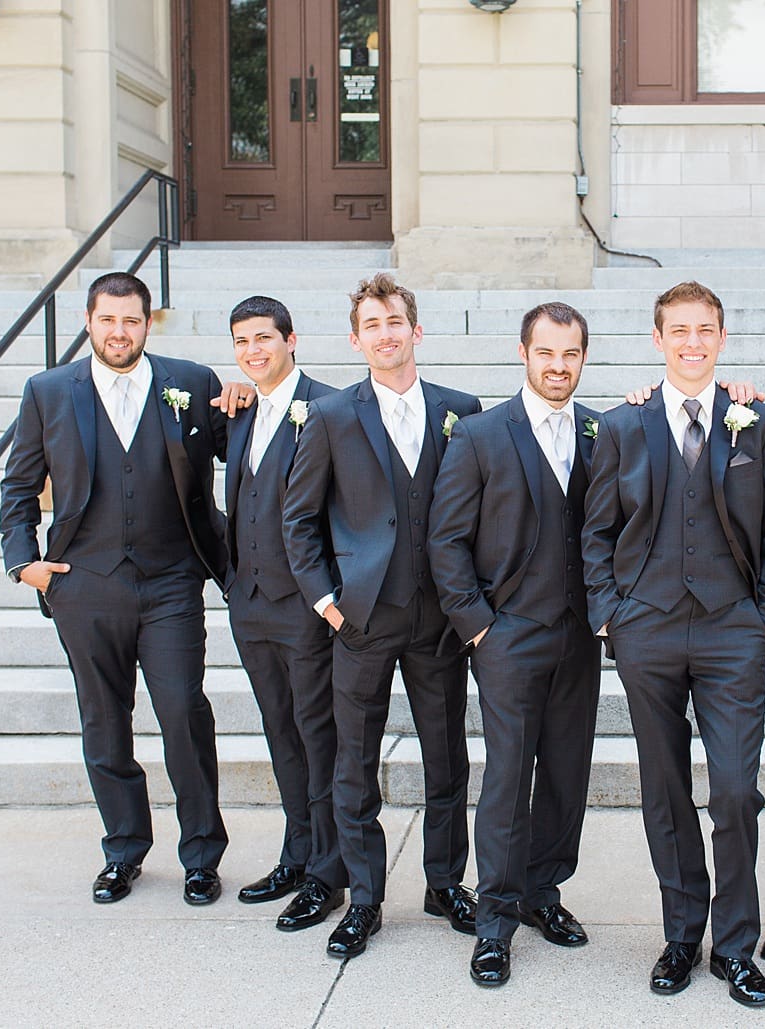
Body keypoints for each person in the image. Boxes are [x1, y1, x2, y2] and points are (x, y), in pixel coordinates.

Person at [0, 271, 247, 906]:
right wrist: (21, 560)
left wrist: (248, 397)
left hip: (170, 581)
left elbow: (244, 452)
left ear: (147, 323)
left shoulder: (189, 382)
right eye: (108, 321)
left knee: (183, 715)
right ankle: (123, 850)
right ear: (90, 322)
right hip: (84, 585)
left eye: (131, 321)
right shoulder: (49, 391)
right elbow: (18, 486)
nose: (119, 332)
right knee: (103, 721)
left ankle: (200, 856)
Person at [581, 281, 765, 1008]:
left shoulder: (755, 423)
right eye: (679, 329)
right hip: (646, 625)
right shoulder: (622, 424)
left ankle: (734, 944)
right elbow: (596, 531)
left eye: (704, 328)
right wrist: (609, 614)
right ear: (657, 338)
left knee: (735, 790)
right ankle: (681, 933)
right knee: (664, 787)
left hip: (733, 627)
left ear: (721, 336)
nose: (692, 341)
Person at [281, 273, 482, 959]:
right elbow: (298, 517)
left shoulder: (463, 410)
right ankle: (363, 897)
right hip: (361, 620)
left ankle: (444, 880)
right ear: (356, 338)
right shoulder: (333, 415)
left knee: (445, 756)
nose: (386, 333)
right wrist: (326, 600)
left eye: (395, 321)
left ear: (416, 331)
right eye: (373, 324)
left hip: (439, 621)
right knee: (353, 763)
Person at [428, 302, 603, 987]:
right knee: (507, 779)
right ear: (523, 353)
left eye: (570, 355)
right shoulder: (478, 435)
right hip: (506, 636)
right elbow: (445, 541)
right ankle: (495, 921)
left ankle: (542, 893)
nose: (558, 366)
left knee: (566, 772)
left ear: (583, 358)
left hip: (579, 638)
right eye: (546, 353)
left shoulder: (599, 431)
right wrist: (477, 627)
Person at [222, 296, 344, 931]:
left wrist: (331, 596)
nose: (253, 351)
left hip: (307, 607)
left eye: (264, 338)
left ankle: (330, 870)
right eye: (242, 341)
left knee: (319, 734)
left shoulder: (329, 406)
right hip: (250, 604)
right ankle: (297, 852)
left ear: (292, 340)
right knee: (280, 732)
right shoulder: (239, 412)